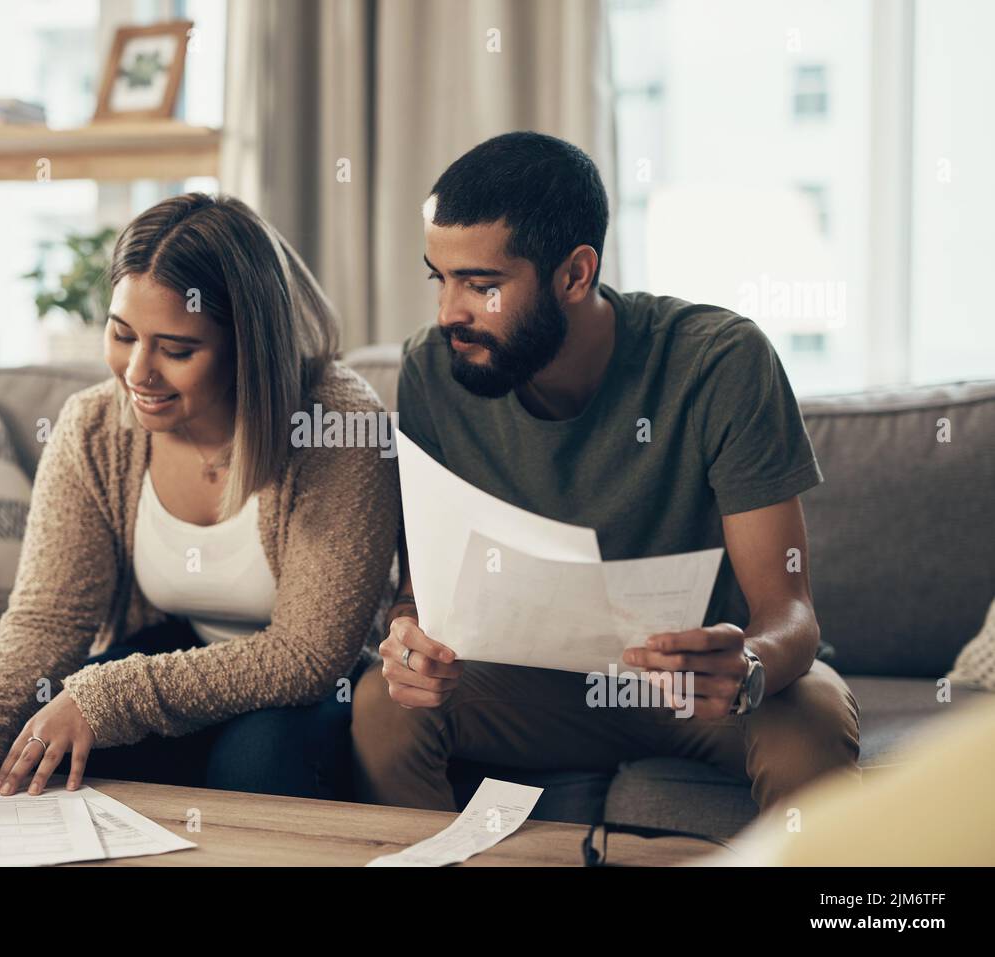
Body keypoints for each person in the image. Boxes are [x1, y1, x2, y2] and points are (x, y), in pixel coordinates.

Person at [351, 131, 860, 814]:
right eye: (439, 278)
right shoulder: (433, 370)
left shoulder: (721, 363)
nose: (448, 313)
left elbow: (790, 611)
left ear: (574, 274)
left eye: (482, 285)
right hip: (521, 687)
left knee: (814, 722)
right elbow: (424, 590)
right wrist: (411, 640)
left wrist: (750, 664)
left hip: (690, 692)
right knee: (382, 706)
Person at [0, 192, 399, 800]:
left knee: (256, 762)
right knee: (50, 744)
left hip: (315, 680)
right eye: (123, 335)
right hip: (175, 653)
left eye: (176, 349)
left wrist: (109, 697)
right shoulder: (92, 426)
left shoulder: (336, 421)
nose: (137, 373)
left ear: (250, 346)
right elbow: (47, 617)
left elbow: (308, 655)